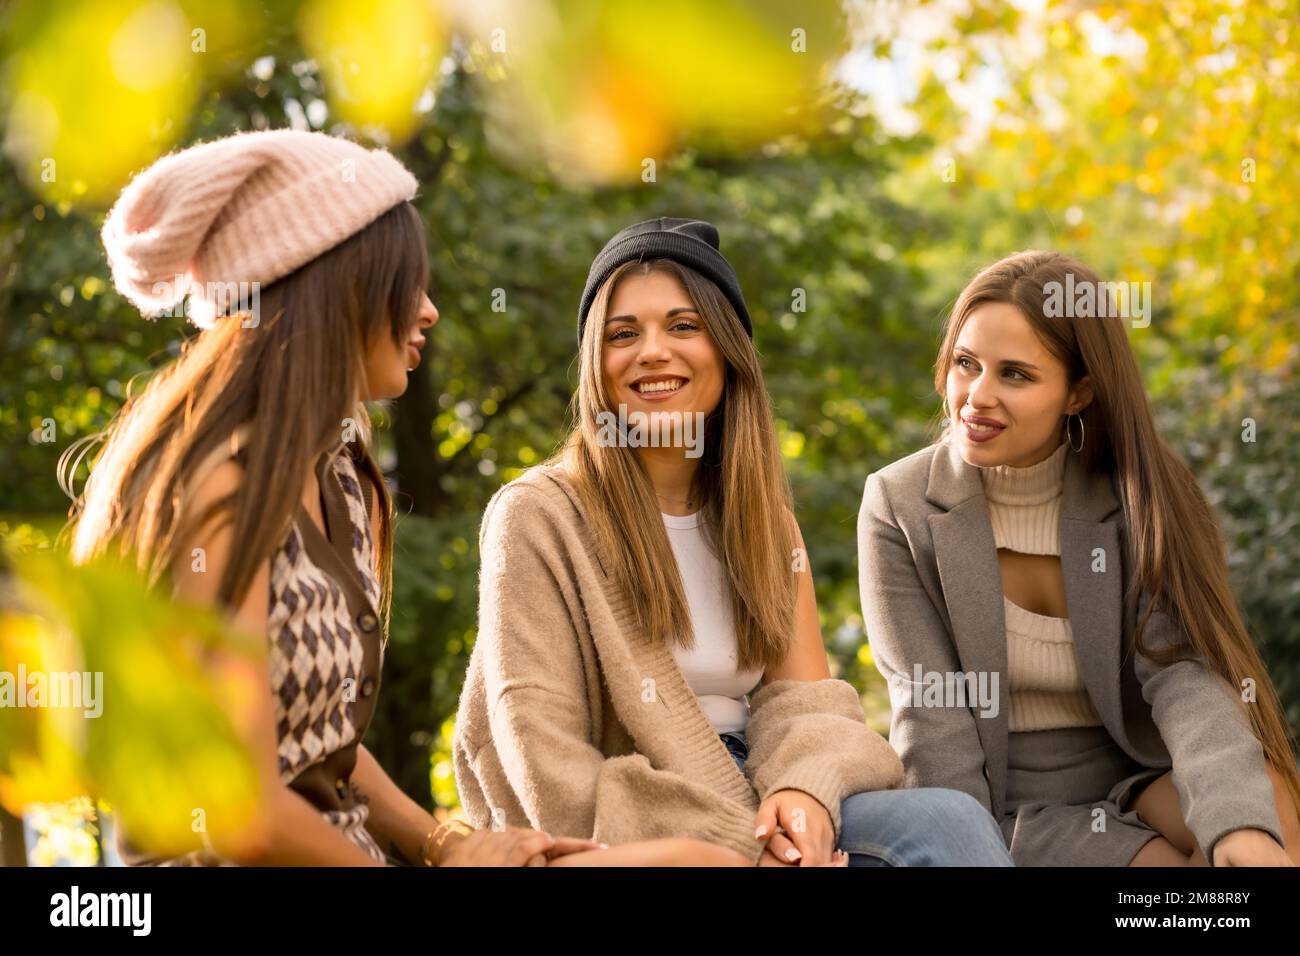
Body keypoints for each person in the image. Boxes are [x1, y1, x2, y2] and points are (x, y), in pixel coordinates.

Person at [66, 129, 598, 866]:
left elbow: (323, 749)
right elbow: (238, 809)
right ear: (335, 287)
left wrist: (450, 845)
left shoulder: (335, 472)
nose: (429, 310)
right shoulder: (221, 484)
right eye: (405, 282)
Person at [453, 218, 1015, 866]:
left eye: (683, 327)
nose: (653, 351)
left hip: (760, 791)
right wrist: (739, 846)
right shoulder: (538, 517)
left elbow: (802, 703)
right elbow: (539, 752)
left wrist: (804, 793)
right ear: (595, 366)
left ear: (727, 352)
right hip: (642, 825)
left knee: (946, 822)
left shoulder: (764, 524)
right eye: (623, 333)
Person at [858, 249, 1300, 866]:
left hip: (1140, 774)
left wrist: (1237, 827)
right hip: (1011, 809)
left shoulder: (1141, 491)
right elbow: (931, 715)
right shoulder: (900, 504)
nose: (976, 396)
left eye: (1015, 375)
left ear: (1079, 393)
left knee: (1263, 818)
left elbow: (1184, 675)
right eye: (966, 364)